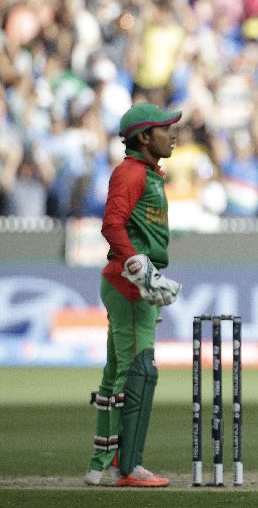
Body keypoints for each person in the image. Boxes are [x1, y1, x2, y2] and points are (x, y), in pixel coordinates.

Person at [84, 103, 183, 487]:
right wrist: (137, 265)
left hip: (130, 281)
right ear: (144, 136)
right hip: (128, 285)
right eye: (165, 128)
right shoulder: (130, 173)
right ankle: (127, 467)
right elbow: (112, 224)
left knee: (117, 373)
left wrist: (140, 267)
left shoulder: (147, 174)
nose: (173, 134)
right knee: (138, 371)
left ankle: (102, 464)